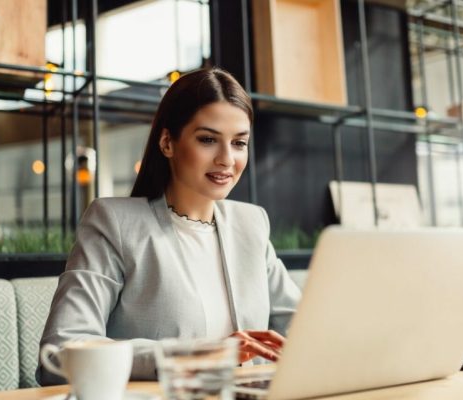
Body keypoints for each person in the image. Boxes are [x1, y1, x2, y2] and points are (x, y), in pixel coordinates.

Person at [38, 68, 301, 384]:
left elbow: (303, 330)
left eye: (239, 143)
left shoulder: (251, 224)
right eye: (208, 139)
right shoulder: (113, 222)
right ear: (167, 142)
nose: (227, 159)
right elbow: (60, 351)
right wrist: (200, 355)